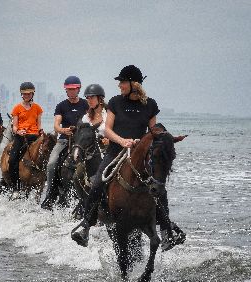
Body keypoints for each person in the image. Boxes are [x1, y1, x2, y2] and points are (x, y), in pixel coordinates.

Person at [71, 65, 185, 250]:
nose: (120, 86)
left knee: (159, 186)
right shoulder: (116, 102)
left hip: (138, 154)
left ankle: (166, 229)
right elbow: (107, 130)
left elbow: (154, 133)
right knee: (98, 182)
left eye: (122, 82)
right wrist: (122, 141)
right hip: (115, 152)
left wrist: (166, 139)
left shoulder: (150, 105)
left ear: (134, 84)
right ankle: (85, 225)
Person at [41, 75, 88, 210]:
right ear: (66, 90)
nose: (71, 92)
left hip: (81, 140)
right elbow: (56, 125)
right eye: (69, 90)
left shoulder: (85, 104)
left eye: (74, 89)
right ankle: (49, 195)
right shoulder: (61, 106)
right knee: (51, 163)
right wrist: (63, 130)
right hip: (63, 140)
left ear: (78, 89)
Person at [9, 82, 43, 194]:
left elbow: (39, 125)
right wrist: (18, 131)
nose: (27, 95)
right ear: (21, 95)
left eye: (29, 93)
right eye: (25, 94)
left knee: (46, 154)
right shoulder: (17, 108)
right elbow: (14, 126)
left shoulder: (38, 108)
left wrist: (41, 131)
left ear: (32, 94)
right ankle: (14, 187)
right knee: (13, 158)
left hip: (35, 136)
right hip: (21, 136)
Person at [82, 84, 109, 152]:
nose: (89, 100)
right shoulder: (85, 118)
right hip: (89, 152)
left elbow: (118, 132)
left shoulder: (109, 115)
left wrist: (110, 141)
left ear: (100, 98)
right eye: (87, 98)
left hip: (108, 150)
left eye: (92, 97)